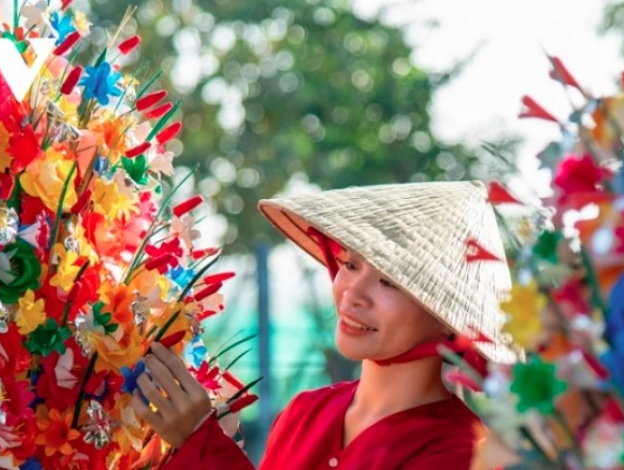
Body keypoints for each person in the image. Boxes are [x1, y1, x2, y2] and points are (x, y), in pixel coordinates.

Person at [133, 181, 524, 469]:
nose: (352, 293)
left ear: (447, 316)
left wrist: (201, 443)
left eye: (389, 281)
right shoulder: (305, 412)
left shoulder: (464, 453)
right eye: (350, 264)